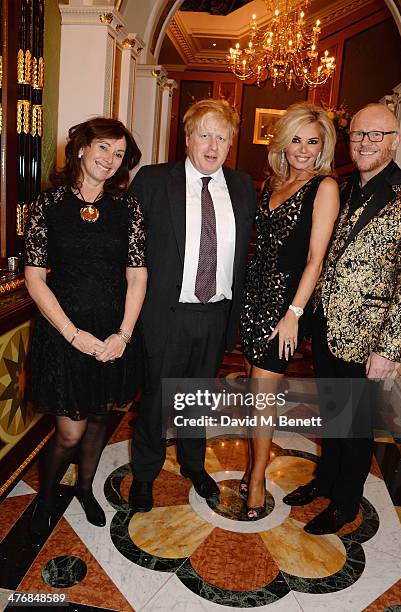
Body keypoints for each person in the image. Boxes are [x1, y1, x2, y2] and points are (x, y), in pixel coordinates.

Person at [284, 103, 401, 534]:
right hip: (325, 325)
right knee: (331, 412)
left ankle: (345, 502)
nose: (365, 143)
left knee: (356, 425)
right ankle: (324, 480)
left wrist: (389, 349)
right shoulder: (341, 186)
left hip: (369, 336)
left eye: (376, 135)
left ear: (394, 141)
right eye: (358, 135)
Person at [128, 98, 256, 512]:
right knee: (157, 399)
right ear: (187, 138)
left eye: (222, 136)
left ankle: (193, 464)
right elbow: (127, 249)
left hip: (216, 314)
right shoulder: (151, 180)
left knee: (198, 398)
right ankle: (145, 474)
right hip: (165, 314)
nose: (213, 145)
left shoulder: (241, 186)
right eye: (205, 134)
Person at [24, 117, 147, 536]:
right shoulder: (49, 205)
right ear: (81, 149)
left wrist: (124, 334)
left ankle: (85, 488)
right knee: (70, 430)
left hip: (113, 331)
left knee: (98, 417)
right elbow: (35, 278)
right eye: (103, 149)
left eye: (118, 154)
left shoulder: (126, 207)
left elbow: (137, 275)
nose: (110, 160)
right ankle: (45, 497)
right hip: (65, 331)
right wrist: (71, 333)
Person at [239, 102, 340, 520]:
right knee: (252, 391)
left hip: (284, 304)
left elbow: (316, 259)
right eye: (295, 139)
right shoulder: (273, 183)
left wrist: (293, 314)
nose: (302, 149)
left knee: (263, 397)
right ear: (283, 142)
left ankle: (258, 479)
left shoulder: (325, 187)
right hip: (253, 296)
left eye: (311, 141)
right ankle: (252, 465)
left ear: (323, 147)